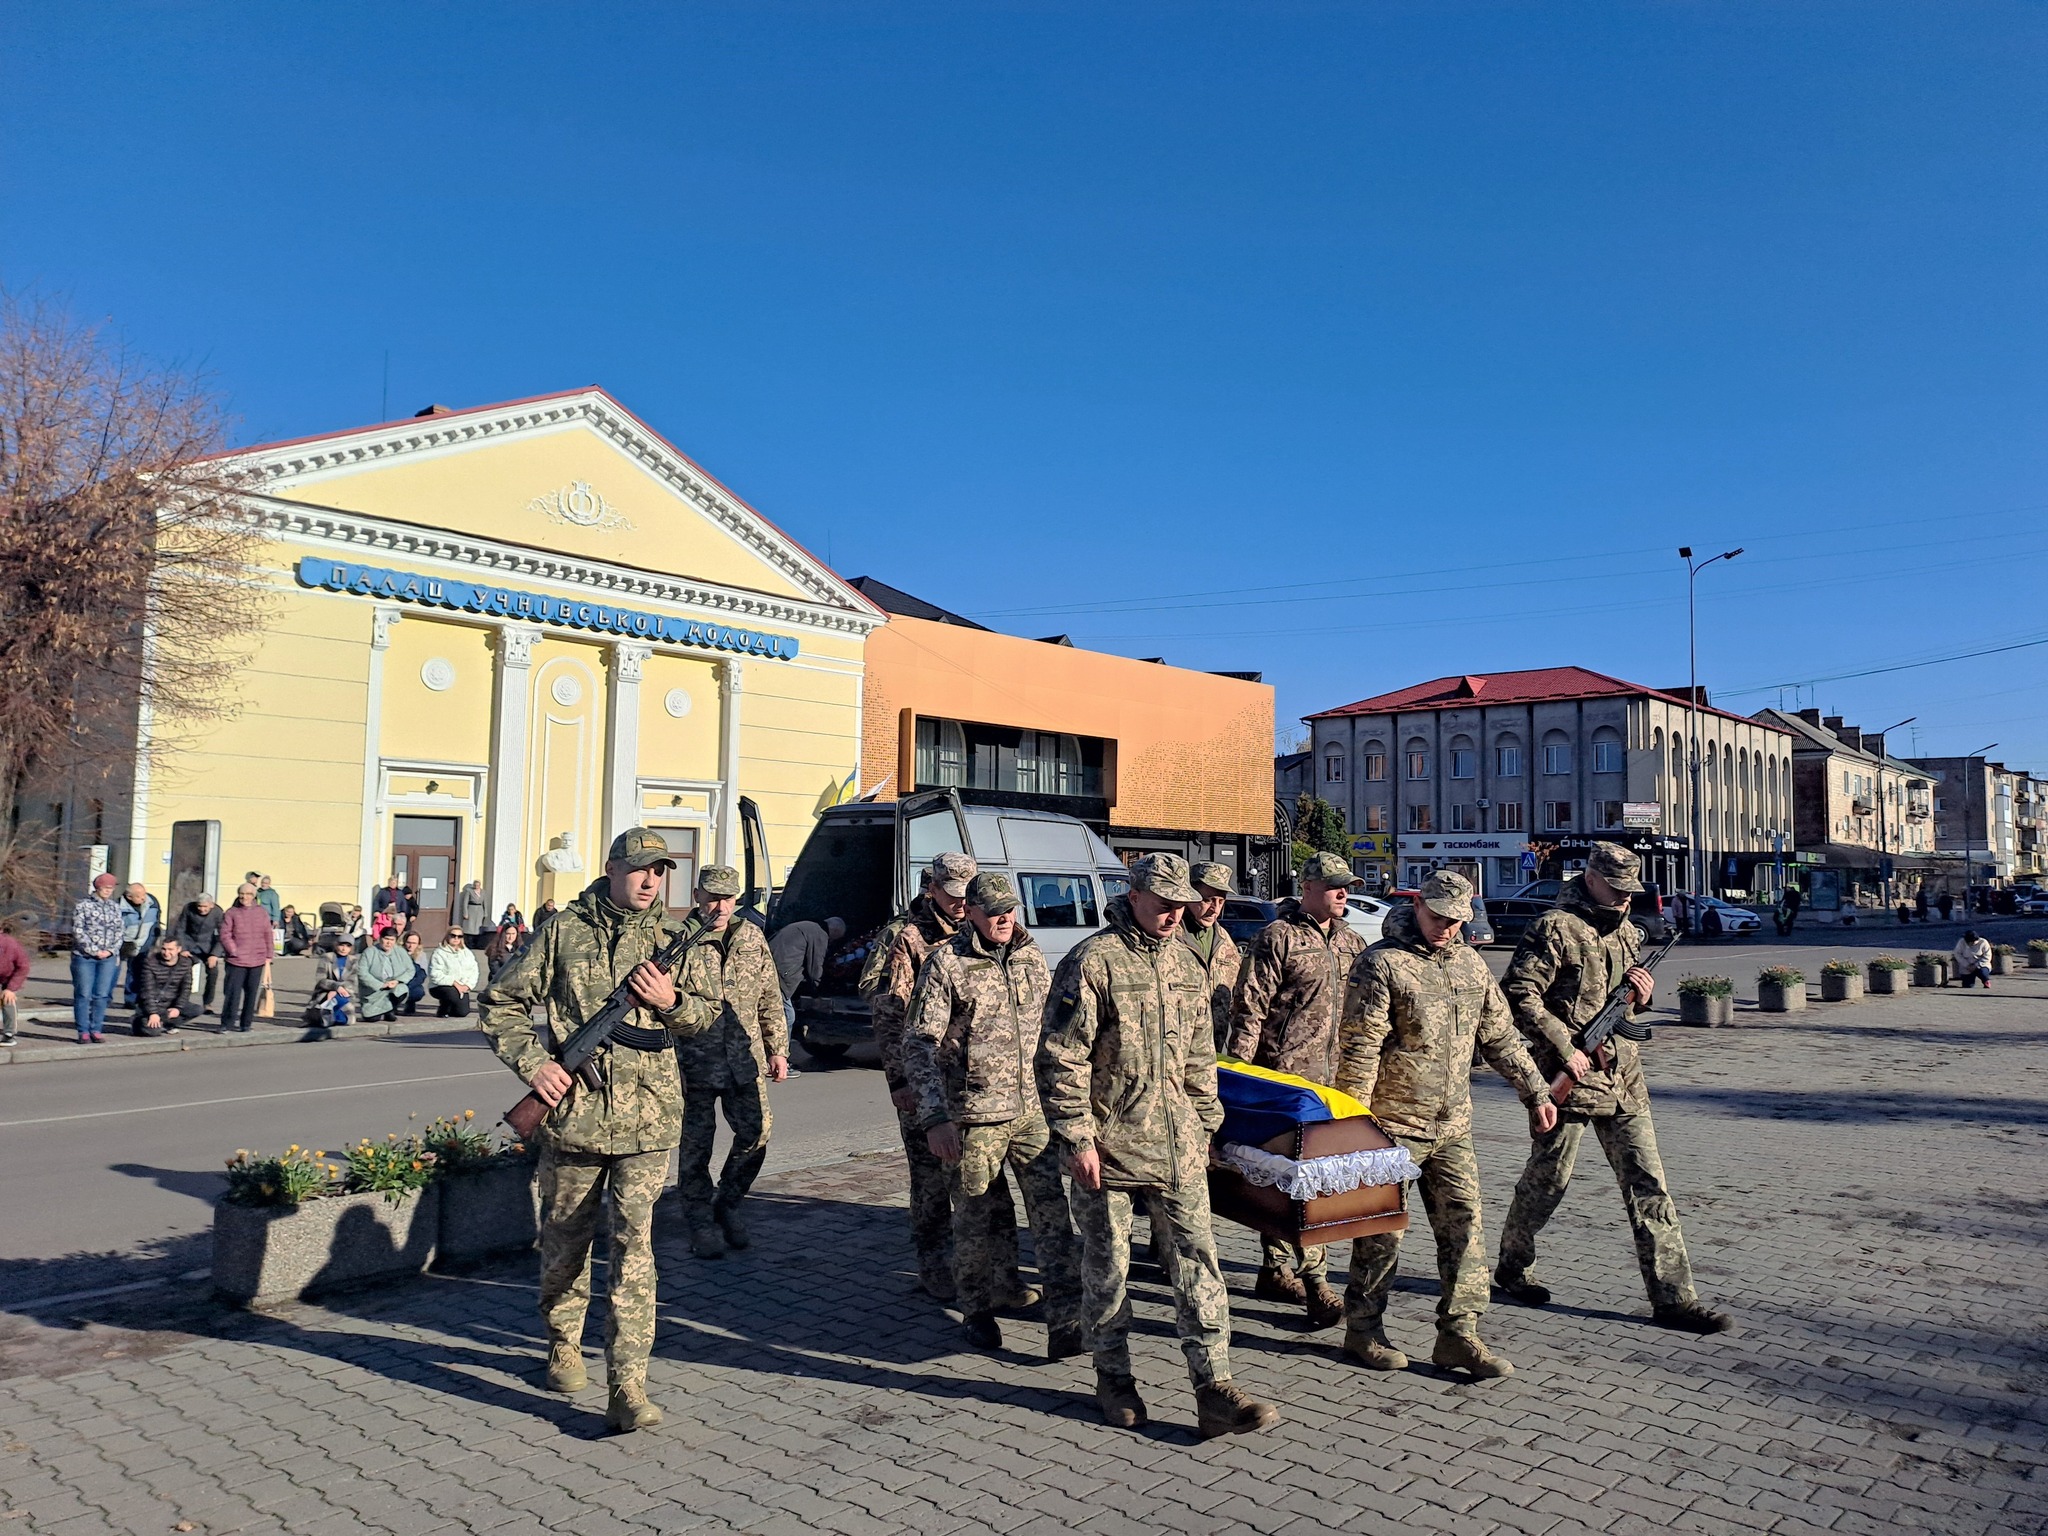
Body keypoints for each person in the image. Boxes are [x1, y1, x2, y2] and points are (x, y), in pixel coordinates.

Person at [478, 827, 719, 1433]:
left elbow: (707, 1016)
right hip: (573, 1121)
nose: (650, 881)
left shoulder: (675, 940)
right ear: (611, 869)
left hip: (649, 1122)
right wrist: (538, 1066)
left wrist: (670, 1002)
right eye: (639, 868)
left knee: (635, 1252)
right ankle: (562, 1344)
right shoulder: (563, 931)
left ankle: (628, 1387)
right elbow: (500, 1002)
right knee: (565, 1243)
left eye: (660, 870)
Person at [1037, 853, 1281, 1440]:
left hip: (1179, 1151)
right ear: (1136, 894)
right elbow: (1059, 1058)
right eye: (1165, 902)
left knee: (1200, 1263)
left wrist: (1207, 1127)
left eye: (1182, 904)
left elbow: (1201, 1058)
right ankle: (1114, 1378)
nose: (1176, 913)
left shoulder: (1184, 964)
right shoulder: (1093, 961)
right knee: (1110, 1269)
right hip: (1111, 1150)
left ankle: (1214, 1386)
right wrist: (1077, 1138)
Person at [1494, 842, 1732, 1334]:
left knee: (1649, 1186)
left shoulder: (1627, 931)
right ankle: (1513, 1267)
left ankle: (1674, 1299)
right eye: (1617, 888)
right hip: (1572, 1081)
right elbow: (1518, 994)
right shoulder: (1554, 928)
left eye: (1632, 891)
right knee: (1547, 1183)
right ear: (1592, 878)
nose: (1626, 898)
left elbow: (1622, 1008)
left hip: (1624, 1081)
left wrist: (1642, 999)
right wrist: (1566, 1047)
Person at [1335, 871, 1557, 1379]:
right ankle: (1363, 1329)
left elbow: (1500, 1037)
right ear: (1418, 907)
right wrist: (1352, 1126)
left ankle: (1459, 1335)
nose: (1446, 929)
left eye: (1456, 921)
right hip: (1391, 1126)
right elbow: (1360, 1050)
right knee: (1381, 1231)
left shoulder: (1470, 966)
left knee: (1465, 1229)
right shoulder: (1382, 964)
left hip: (1452, 1126)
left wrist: (1536, 1091)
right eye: (1437, 917)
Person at [904, 872, 1083, 1358]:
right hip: (972, 1118)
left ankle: (1066, 1322)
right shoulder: (947, 964)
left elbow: (1054, 1034)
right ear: (971, 912)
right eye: (993, 911)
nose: (1004, 919)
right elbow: (919, 1046)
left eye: (1010, 909)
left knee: (1052, 1219)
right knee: (976, 1220)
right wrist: (935, 1118)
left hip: (1032, 1114)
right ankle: (977, 1310)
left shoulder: (1031, 958)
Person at [866, 852, 1023, 1303]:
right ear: (930, 888)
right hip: (925, 1080)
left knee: (987, 1184)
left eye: (965, 895)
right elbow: (889, 1014)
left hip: (978, 1087)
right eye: (951, 894)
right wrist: (899, 1082)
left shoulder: (986, 929)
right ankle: (934, 1264)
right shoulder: (909, 938)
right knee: (931, 1180)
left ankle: (1000, 1275)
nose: (958, 903)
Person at [1226, 850, 1368, 1329]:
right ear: (1307, 888)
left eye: (1346, 884)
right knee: (1295, 1182)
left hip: (1334, 1086)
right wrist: (1239, 1077)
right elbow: (1250, 1008)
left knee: (1312, 1182)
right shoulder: (1279, 937)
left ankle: (1273, 1268)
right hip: (1286, 1084)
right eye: (1333, 885)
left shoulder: (1351, 941)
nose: (1343, 893)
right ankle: (1317, 1286)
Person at [674, 866, 787, 1258]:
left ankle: (728, 1202)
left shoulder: (751, 936)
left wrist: (778, 1049)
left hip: (745, 1059)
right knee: (695, 1149)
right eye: (712, 896)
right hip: (694, 1063)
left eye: (727, 897)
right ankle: (699, 1220)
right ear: (696, 895)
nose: (719, 905)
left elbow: (770, 995)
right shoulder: (678, 941)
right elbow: (658, 1007)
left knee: (757, 1134)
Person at [71, 872, 127, 1043]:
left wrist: (111, 950)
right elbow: (78, 931)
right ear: (98, 888)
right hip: (84, 957)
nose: (109, 891)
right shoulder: (83, 906)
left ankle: (96, 1028)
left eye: (111, 888)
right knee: (84, 994)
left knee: (102, 994)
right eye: (106, 888)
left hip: (108, 957)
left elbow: (120, 931)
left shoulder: (114, 907)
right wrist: (94, 950)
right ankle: (83, 1031)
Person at [218, 883, 274, 1034]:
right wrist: (233, 950)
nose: (245, 897)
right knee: (233, 994)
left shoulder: (261, 912)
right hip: (236, 961)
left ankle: (246, 1024)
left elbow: (268, 934)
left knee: (251, 994)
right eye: (242, 894)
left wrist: (269, 955)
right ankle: (227, 1024)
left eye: (248, 894)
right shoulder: (231, 912)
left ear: (254, 896)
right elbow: (224, 934)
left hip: (257, 959)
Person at [133, 934, 206, 1036]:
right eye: (164, 949)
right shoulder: (150, 962)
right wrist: (153, 1013)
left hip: (171, 1002)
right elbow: (147, 991)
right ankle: (143, 1021)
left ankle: (167, 1024)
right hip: (154, 1003)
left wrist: (177, 1008)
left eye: (170, 949)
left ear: (178, 949)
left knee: (197, 1009)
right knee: (153, 1032)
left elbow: (186, 989)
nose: (166, 953)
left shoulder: (185, 964)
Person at [769, 915, 845, 1007]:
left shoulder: (807, 926)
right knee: (787, 1015)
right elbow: (815, 968)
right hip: (783, 972)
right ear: (835, 931)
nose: (832, 941)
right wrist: (816, 994)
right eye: (835, 939)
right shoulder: (820, 935)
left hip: (770, 963)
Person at [172, 892, 226, 1010]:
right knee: (182, 971)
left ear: (211, 905)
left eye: (205, 907)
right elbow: (180, 928)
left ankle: (208, 1003)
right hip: (189, 944)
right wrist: (183, 948)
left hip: (208, 946)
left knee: (213, 973)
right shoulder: (188, 908)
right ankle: (180, 1002)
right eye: (199, 906)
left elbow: (223, 935)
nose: (202, 909)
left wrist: (215, 954)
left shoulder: (217, 912)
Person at [353, 928, 416, 1022]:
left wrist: (397, 981)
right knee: (372, 1019)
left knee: (402, 990)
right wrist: (380, 985)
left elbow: (410, 970)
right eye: (386, 939)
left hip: (393, 986)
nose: (389, 943)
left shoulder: (401, 952)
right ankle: (376, 1011)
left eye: (392, 940)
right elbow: (362, 973)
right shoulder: (369, 952)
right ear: (380, 938)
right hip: (374, 991)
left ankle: (390, 1011)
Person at [120, 882, 162, 1007]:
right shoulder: (119, 906)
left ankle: (141, 998)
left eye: (144, 894)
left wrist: (156, 937)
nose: (144, 898)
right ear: (129, 897)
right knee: (130, 970)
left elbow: (157, 919)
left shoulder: (152, 901)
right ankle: (130, 999)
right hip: (128, 942)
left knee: (143, 970)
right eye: (139, 896)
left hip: (147, 940)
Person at [428, 928, 481, 1016]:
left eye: (459, 936)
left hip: (462, 987)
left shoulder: (467, 953)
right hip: (441, 986)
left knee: (462, 1013)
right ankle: (443, 1009)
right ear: (447, 936)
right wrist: (455, 983)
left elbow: (474, 971)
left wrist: (468, 985)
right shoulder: (439, 953)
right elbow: (435, 974)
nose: (456, 938)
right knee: (452, 995)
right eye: (453, 936)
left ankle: (452, 1008)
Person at [309, 937, 354, 1028]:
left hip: (345, 992)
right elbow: (320, 980)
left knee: (348, 1020)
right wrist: (335, 987)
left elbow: (352, 981)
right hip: (325, 992)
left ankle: (326, 1016)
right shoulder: (326, 958)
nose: (344, 949)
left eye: (348, 946)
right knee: (338, 1001)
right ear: (336, 945)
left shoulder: (353, 960)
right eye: (341, 945)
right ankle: (323, 1015)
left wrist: (337, 990)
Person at [0, 918, 32, 1044]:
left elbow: (23, 967)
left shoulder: (10, 944)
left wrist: (11, 988)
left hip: (9, 974)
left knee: (8, 999)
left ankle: (9, 1033)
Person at [400, 930, 428, 1014]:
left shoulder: (421, 955)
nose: (410, 945)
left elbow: (422, 975)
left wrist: (410, 985)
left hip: (413, 982)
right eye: (408, 942)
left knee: (418, 992)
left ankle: (410, 1003)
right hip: (399, 981)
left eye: (414, 943)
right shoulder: (398, 953)